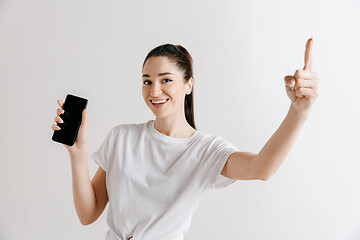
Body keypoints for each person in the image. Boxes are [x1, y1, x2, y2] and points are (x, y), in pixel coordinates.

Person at [51, 39, 319, 240]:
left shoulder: (206, 150)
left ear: (188, 85)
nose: (155, 90)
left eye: (166, 80)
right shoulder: (121, 137)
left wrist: (298, 112)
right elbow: (89, 214)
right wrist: (78, 153)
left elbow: (262, 168)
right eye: (147, 81)